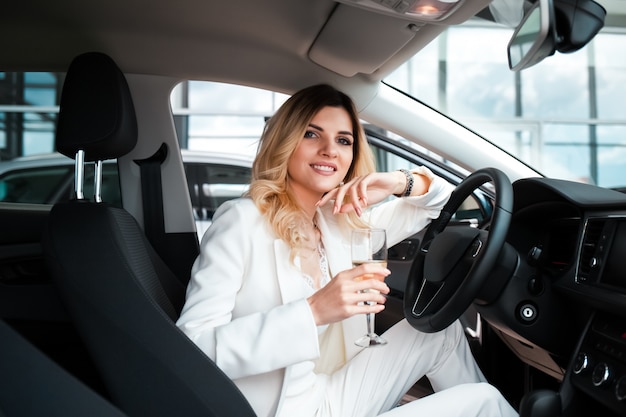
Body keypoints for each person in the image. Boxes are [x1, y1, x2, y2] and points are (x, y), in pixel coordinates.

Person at [176, 84, 518, 417]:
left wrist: (398, 182)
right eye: (312, 134)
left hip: (330, 393)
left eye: (343, 140)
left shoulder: (338, 224)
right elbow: (190, 349)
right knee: (485, 400)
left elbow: (439, 202)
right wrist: (312, 312)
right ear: (285, 142)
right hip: (286, 410)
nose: (330, 150)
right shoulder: (241, 222)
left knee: (439, 333)